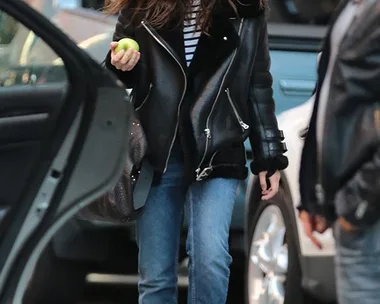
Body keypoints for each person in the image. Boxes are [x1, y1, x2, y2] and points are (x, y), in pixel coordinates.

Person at [104, 0, 288, 302]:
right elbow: (120, 73)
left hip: (218, 147)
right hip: (158, 151)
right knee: (155, 274)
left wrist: (269, 154)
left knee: (211, 260)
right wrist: (120, 64)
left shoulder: (245, 9)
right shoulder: (142, 6)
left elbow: (257, 84)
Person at [298, 0, 380, 303]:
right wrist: (313, 198)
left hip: (368, 210)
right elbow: (328, 103)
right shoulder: (349, 10)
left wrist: (357, 205)